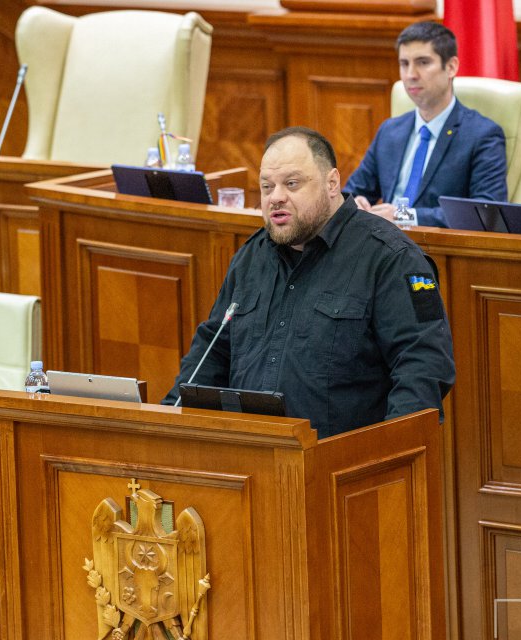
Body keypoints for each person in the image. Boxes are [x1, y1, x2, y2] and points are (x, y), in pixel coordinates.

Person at [163, 126, 456, 438]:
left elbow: (423, 368)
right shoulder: (251, 257)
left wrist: (390, 452)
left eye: (292, 184)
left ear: (332, 183)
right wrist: (167, 421)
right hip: (252, 452)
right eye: (266, 187)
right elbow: (212, 352)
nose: (276, 197)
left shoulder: (392, 258)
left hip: (342, 460)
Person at [343, 21, 508, 228]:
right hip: (380, 240)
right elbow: (350, 193)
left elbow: (485, 212)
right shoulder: (390, 131)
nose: (410, 74)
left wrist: (403, 215)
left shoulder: (482, 135)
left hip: (436, 244)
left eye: (423, 62)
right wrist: (354, 204)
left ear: (451, 67)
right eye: (404, 64)